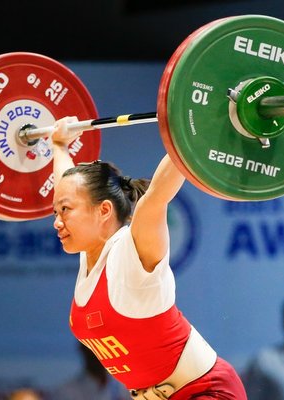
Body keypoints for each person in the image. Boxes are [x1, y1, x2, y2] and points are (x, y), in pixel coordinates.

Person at [49, 116, 247, 400]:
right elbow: (67, 187)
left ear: (103, 211)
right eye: (56, 212)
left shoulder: (132, 251)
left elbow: (157, 194)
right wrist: (59, 146)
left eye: (65, 211)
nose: (56, 221)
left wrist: (198, 122)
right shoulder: (91, 255)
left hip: (207, 392)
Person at [53, 342, 131, 400]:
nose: (96, 355)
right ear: (83, 350)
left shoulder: (125, 387)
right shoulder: (67, 393)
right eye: (91, 349)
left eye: (100, 349)